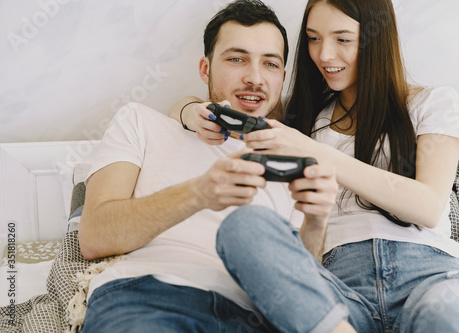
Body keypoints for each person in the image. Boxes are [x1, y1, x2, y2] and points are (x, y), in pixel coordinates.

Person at [174, 0, 459, 332]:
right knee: (245, 228)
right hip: (340, 288)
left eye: (342, 39)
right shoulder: (305, 115)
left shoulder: (433, 103)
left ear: (376, 38)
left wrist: (315, 151)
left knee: (448, 318)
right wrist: (191, 114)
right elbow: (185, 107)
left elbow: (426, 206)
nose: (324, 55)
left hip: (429, 278)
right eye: (313, 38)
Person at [78, 0, 345, 332]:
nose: (255, 78)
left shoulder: (297, 159)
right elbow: (94, 237)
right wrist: (198, 193)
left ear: (282, 78)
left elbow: (303, 291)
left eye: (270, 64)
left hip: (254, 314)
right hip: (147, 297)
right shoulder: (140, 122)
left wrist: (317, 221)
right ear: (205, 68)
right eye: (237, 59)